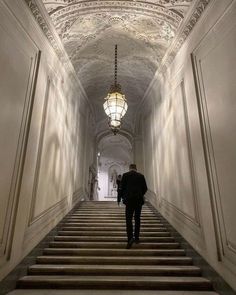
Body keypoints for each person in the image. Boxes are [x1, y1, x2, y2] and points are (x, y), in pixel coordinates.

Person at [120, 164, 147, 249]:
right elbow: (145, 188)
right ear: (136, 168)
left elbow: (122, 188)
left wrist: (124, 197)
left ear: (129, 168)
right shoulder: (141, 176)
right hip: (138, 200)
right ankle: (137, 238)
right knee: (137, 218)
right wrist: (140, 194)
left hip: (129, 201)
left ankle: (130, 238)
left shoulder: (125, 175)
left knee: (128, 219)